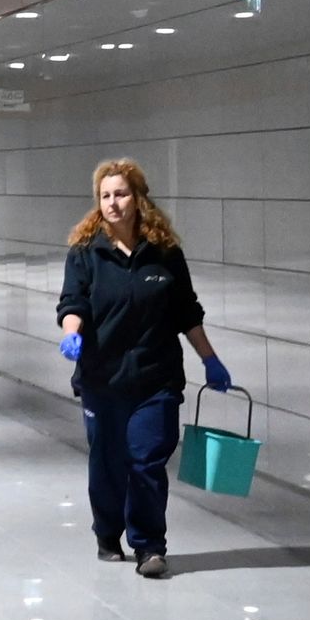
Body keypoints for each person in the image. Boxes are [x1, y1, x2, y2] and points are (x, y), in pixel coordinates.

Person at [56, 159, 232, 579]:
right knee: (107, 462)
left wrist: (209, 358)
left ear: (138, 198)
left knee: (146, 460)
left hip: (156, 378)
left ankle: (150, 545)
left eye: (120, 194)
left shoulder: (165, 254)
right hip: (103, 378)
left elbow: (186, 311)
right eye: (105, 196)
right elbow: (73, 302)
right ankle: (106, 533)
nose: (113, 203)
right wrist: (72, 332)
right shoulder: (85, 252)